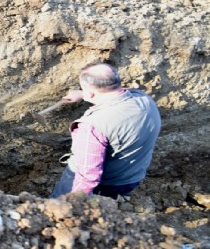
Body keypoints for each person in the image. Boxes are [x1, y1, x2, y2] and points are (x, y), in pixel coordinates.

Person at [50, 63, 162, 199]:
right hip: (131, 178)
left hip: (104, 183)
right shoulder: (144, 100)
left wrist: (71, 204)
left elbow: (88, 177)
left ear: (91, 93)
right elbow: (118, 94)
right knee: (104, 204)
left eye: (83, 88)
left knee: (61, 207)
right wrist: (83, 93)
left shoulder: (92, 127)